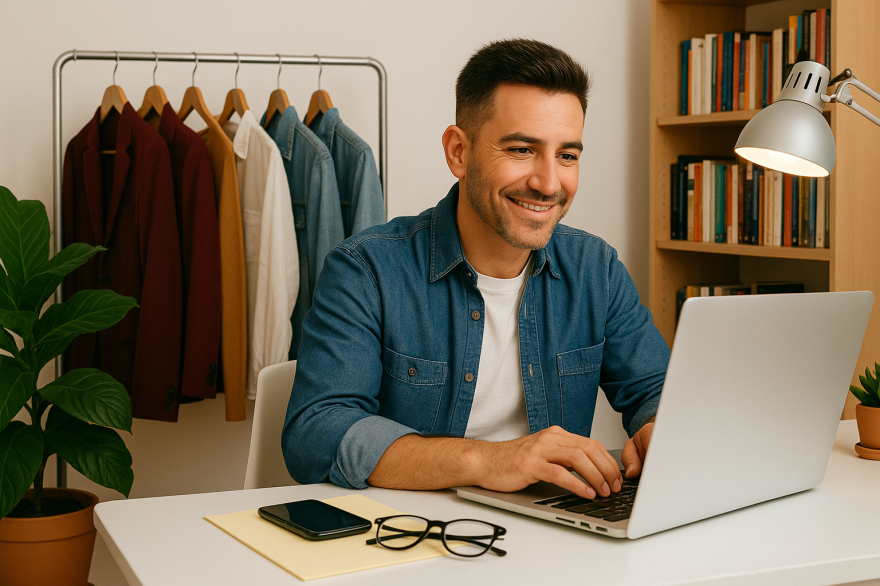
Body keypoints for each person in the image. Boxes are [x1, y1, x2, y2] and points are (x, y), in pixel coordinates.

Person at [282, 39, 670, 501]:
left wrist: (660, 427)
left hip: (557, 539)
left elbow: (657, 388)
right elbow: (315, 434)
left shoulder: (596, 269)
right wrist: (490, 460)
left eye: (567, 155)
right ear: (458, 152)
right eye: (522, 149)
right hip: (410, 540)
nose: (549, 183)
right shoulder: (366, 269)